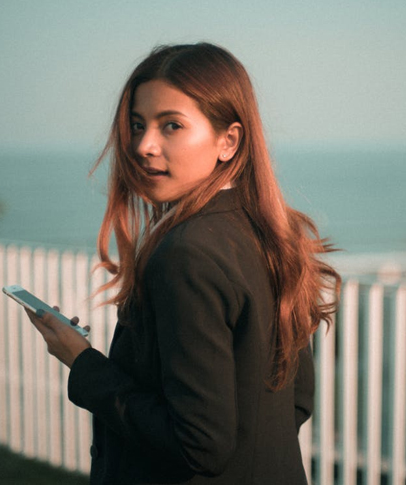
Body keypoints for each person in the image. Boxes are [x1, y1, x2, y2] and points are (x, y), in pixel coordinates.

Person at [26, 43, 341, 484]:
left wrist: (84, 365)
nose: (143, 146)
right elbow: (296, 401)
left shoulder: (187, 254)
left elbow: (199, 444)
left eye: (170, 125)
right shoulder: (270, 234)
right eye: (137, 125)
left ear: (228, 141)